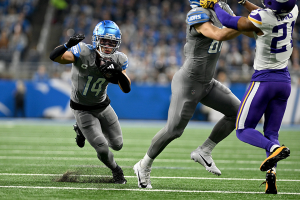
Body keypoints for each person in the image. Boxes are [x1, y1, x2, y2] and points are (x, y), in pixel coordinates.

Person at [133, 0, 247, 189]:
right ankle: (143, 165)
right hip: (188, 83)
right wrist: (248, 22)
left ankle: (205, 150)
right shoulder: (197, 13)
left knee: (237, 112)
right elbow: (218, 34)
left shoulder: (222, 9)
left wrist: (252, 23)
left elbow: (244, 29)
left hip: (207, 82)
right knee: (174, 130)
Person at [211, 0, 298, 194]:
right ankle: (271, 177)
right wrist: (245, 3)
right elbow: (268, 13)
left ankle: (274, 149)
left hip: (263, 81)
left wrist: (215, 4)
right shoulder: (293, 11)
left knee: (242, 129)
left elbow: (228, 20)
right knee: (272, 134)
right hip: (284, 81)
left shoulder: (262, 18)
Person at [49, 20, 131, 184]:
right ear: (96, 39)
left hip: (103, 106)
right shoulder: (83, 51)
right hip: (82, 109)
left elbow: (126, 88)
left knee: (118, 144)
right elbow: (55, 57)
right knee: (101, 147)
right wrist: (67, 45)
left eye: (112, 42)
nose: (108, 46)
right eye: (104, 41)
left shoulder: (119, 59)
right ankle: (116, 170)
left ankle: (83, 129)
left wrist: (118, 73)